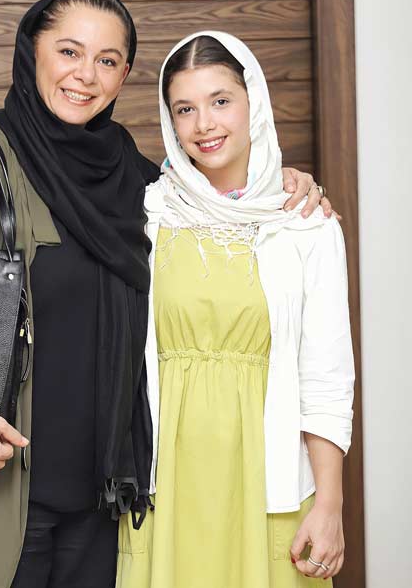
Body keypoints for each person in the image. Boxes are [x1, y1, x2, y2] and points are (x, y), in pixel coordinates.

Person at [0, 0, 334, 588]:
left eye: (107, 60)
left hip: (106, 501)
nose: (86, 75)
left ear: (124, 76)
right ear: (32, 51)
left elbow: (218, 200)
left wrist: (284, 186)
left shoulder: (136, 181)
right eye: (69, 51)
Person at [116, 32, 355, 588]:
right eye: (185, 109)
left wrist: (330, 505)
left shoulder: (306, 224)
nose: (205, 124)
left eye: (221, 100)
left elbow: (326, 378)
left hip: (269, 484)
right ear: (170, 120)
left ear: (255, 102)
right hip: (165, 483)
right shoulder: (145, 215)